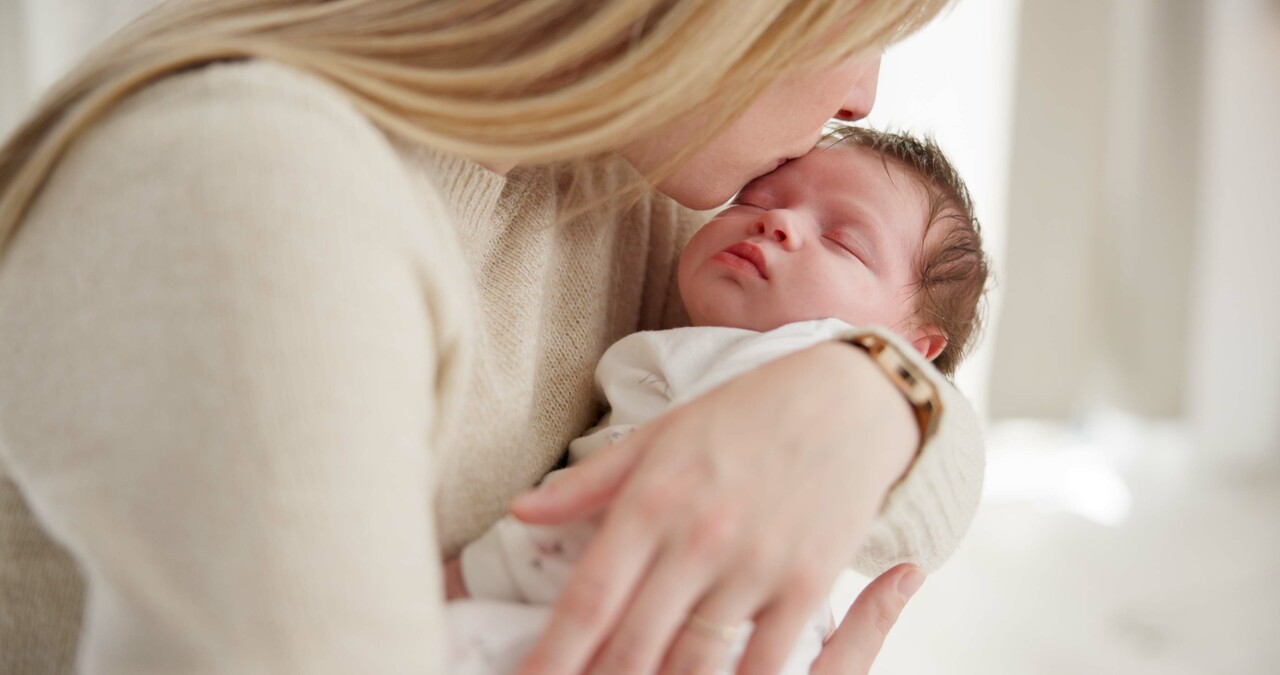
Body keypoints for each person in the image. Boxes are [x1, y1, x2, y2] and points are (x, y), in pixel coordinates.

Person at [0, 2, 985, 674]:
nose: (862, 97)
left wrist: (867, 390)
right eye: (858, 18)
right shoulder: (253, 194)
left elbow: (939, 483)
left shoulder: (623, 172)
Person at [443, 127, 989, 674]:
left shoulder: (805, 358)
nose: (777, 221)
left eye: (844, 241)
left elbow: (608, 517)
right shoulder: (686, 307)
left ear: (913, 350)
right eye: (752, 200)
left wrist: (467, 579)